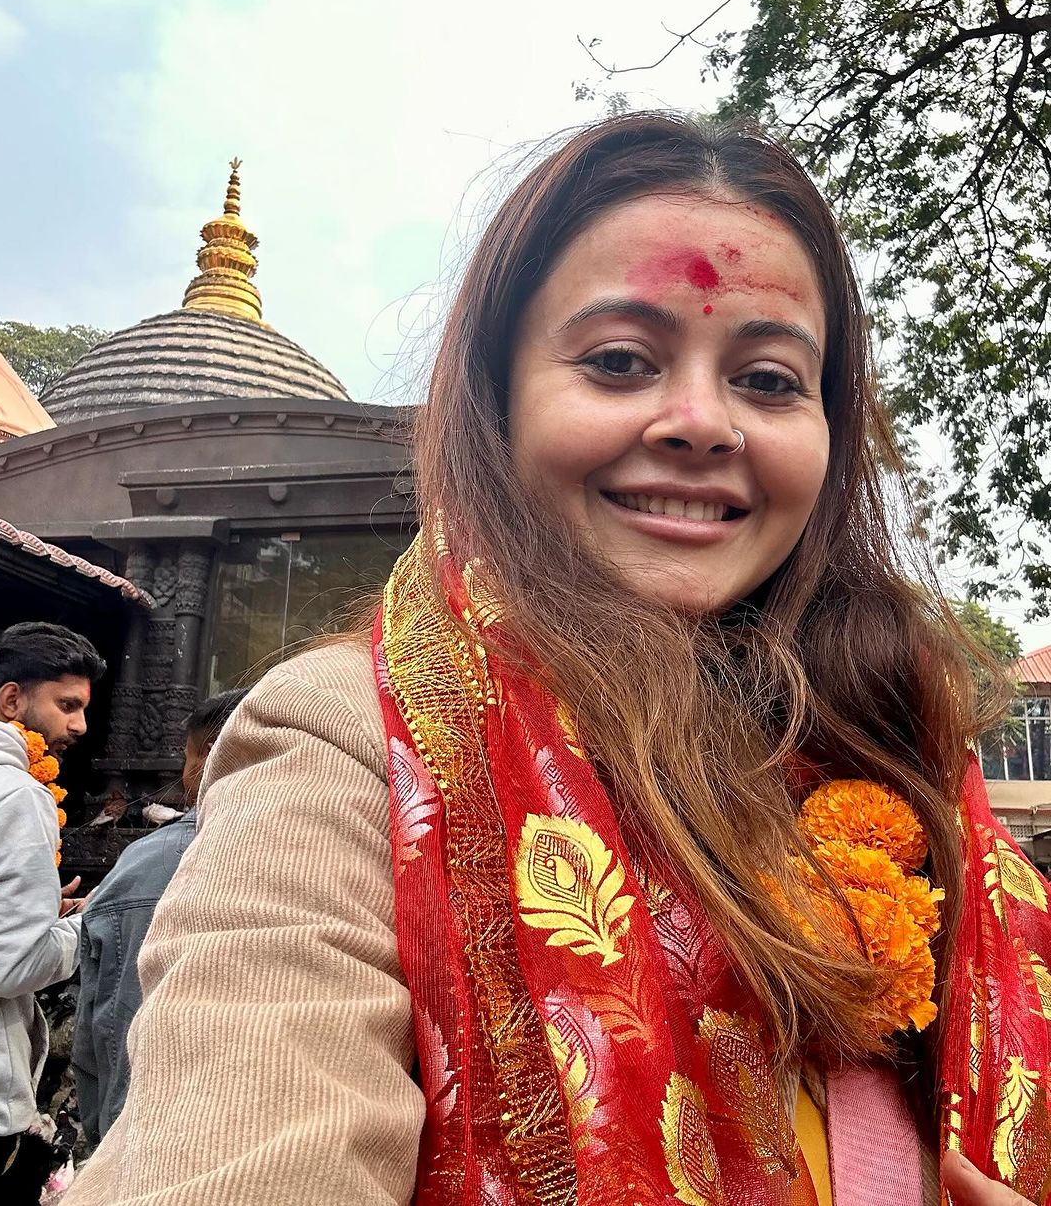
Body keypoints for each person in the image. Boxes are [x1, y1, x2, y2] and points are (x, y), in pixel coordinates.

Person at [66, 115, 1049, 1206]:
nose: (700, 423)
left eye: (769, 379)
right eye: (620, 361)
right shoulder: (351, 743)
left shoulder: (895, 755)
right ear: (499, 403)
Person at [73, 688, 248, 1144]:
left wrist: (104, 1138)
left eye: (188, 756)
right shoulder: (349, 856)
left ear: (210, 754)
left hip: (145, 1139)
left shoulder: (148, 866)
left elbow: (104, 1037)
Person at [0, 621, 105, 1203]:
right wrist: (92, 924)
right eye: (67, 705)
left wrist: (37, 909)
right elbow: (7, 967)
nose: (79, 725)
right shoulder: (15, 793)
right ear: (11, 700)